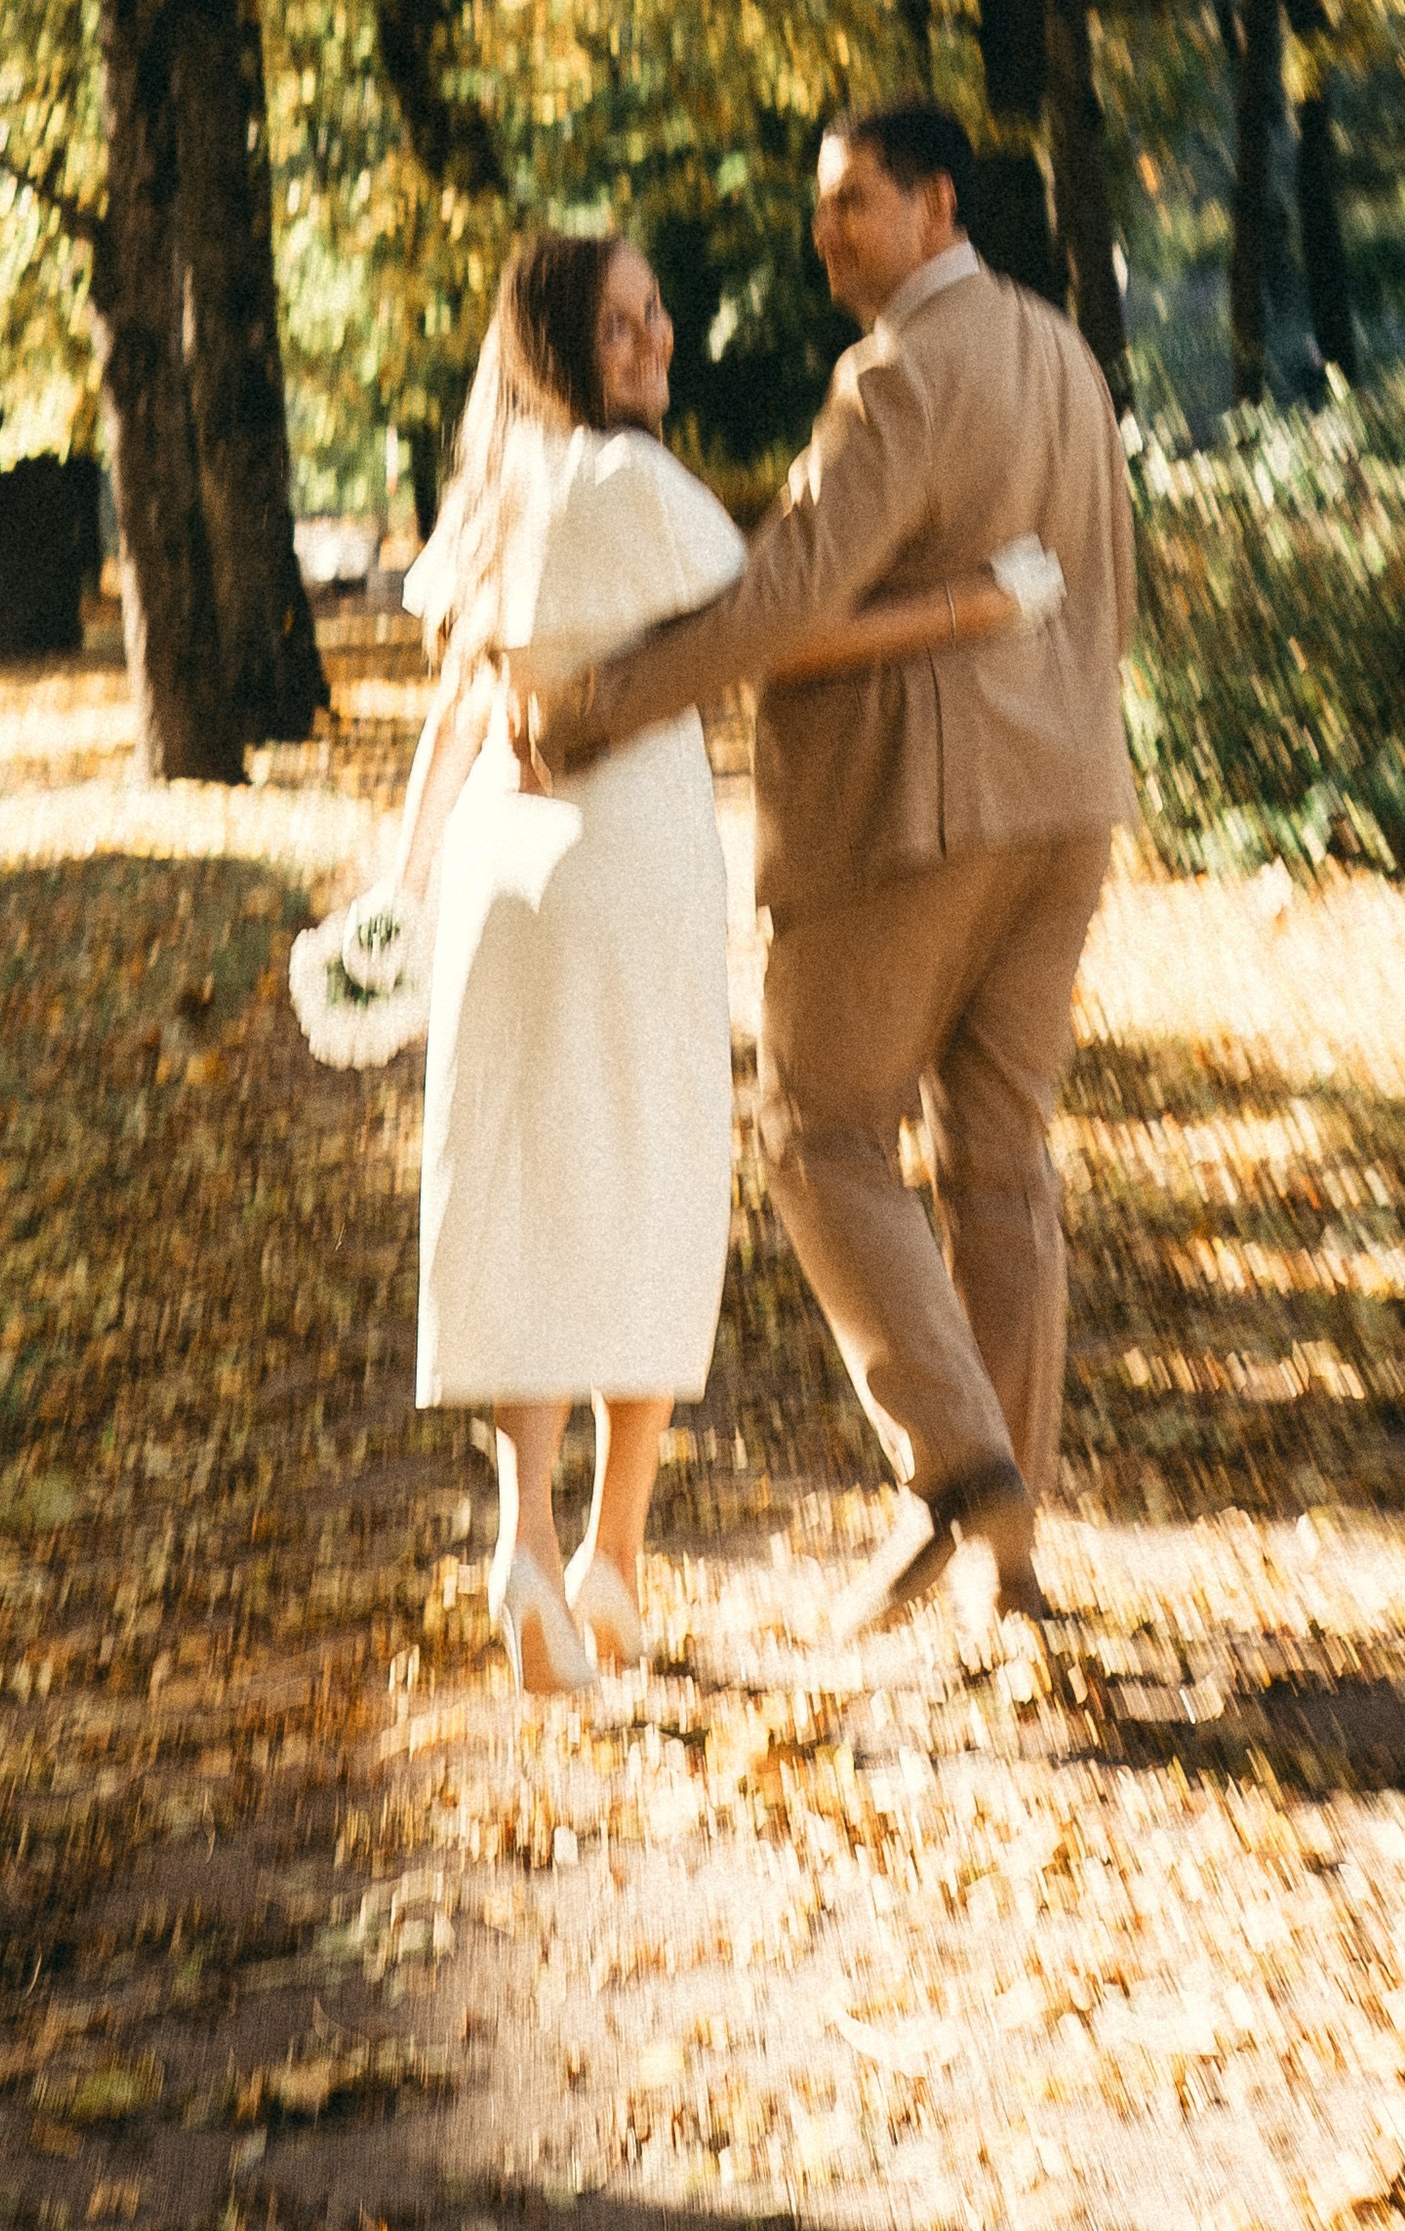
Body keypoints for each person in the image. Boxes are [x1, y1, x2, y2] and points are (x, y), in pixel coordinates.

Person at [376, 222, 1057, 1697]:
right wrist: (975, 606)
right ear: (562, 349)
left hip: (500, 870)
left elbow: (461, 699)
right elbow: (779, 630)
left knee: (526, 1189)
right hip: (623, 861)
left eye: (655, 312)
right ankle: (607, 1554)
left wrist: (400, 885)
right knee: (645, 1180)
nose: (655, 342)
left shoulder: (495, 491)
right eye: (620, 325)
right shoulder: (636, 488)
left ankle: (538, 1546)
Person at [519, 105, 1136, 1642]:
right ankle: (1006, 1566)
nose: (827, 233)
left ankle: (965, 1469)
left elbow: (784, 596)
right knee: (1000, 1163)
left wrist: (597, 705)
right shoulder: (1064, 353)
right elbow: (1100, 587)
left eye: (855, 200)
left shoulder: (899, 374)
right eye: (823, 205)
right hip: (1068, 804)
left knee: (817, 1130)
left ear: (939, 206)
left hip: (918, 813)